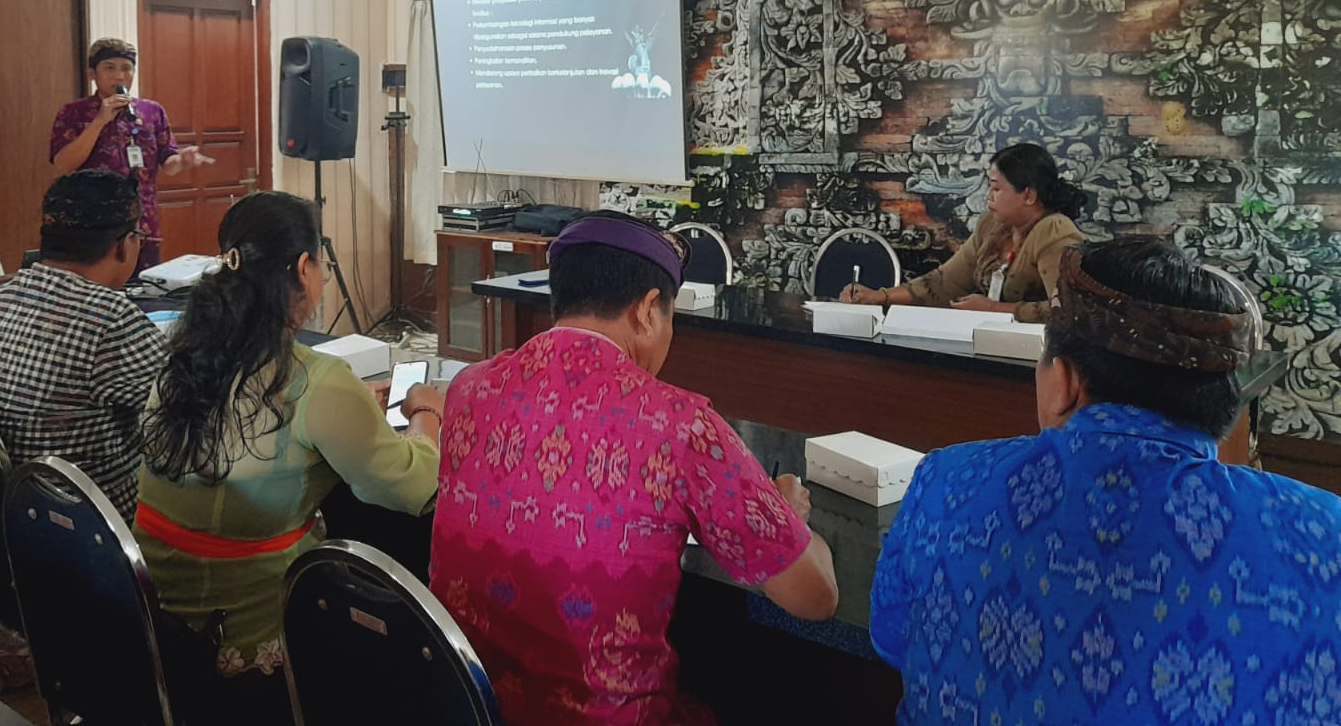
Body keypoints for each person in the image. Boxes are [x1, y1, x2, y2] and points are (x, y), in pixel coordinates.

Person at [870, 238, 1341, 724]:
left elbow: (893, 639)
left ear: (1065, 383)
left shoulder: (945, 482)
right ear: (1224, 401)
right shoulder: (1323, 532)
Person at [429, 211, 838, 726]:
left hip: (467, 707)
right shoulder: (680, 424)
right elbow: (815, 596)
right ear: (648, 310)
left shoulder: (469, 388)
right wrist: (789, 514)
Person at [137, 191, 442, 722]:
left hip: (152, 616)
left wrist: (350, 410)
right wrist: (425, 416)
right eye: (320, 263)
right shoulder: (318, 380)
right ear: (303, 268)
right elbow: (413, 487)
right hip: (248, 635)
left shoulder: (182, 356)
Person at [0, 170, 166, 519]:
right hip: (95, 526)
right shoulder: (110, 320)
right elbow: (190, 415)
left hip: (14, 518)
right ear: (123, 244)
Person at [841, 141, 1083, 322]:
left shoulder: (1054, 230)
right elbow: (944, 282)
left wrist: (994, 310)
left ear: (1028, 195)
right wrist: (878, 297)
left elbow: (1069, 311)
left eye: (996, 189)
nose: (988, 197)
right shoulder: (992, 226)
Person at [49, 37, 213, 273]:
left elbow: (168, 164)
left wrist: (183, 160)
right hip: (91, 225)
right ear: (92, 74)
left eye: (126, 68)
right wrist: (99, 122)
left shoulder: (151, 111)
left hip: (142, 223)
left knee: (144, 291)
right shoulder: (74, 113)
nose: (119, 76)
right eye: (110, 68)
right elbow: (61, 166)